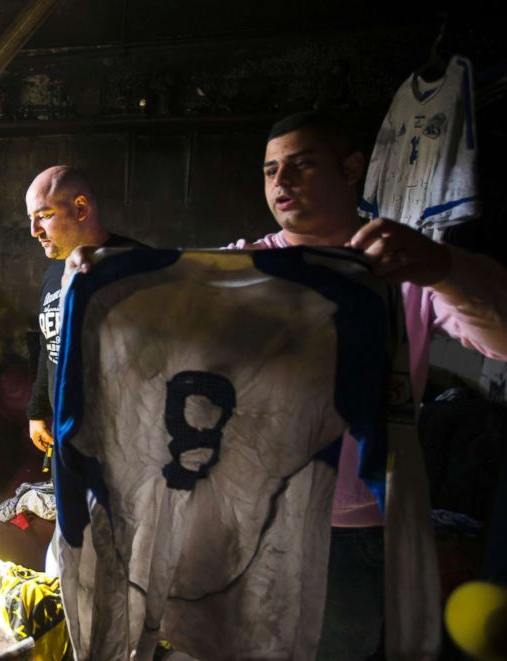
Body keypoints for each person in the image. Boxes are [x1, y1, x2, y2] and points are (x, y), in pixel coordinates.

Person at [63, 110, 507, 659]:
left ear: (350, 169)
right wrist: (103, 270)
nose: (281, 182)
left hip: (350, 529)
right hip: (245, 515)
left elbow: (502, 338)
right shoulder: (250, 267)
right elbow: (163, 301)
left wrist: (441, 265)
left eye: (301, 166)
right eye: (271, 170)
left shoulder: (394, 271)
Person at [24, 165, 143, 456]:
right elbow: (48, 345)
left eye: (44, 216)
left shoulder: (138, 265)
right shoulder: (53, 273)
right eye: (31, 219)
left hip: (122, 443)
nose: (34, 231)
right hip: (67, 435)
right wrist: (37, 411)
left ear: (80, 208)